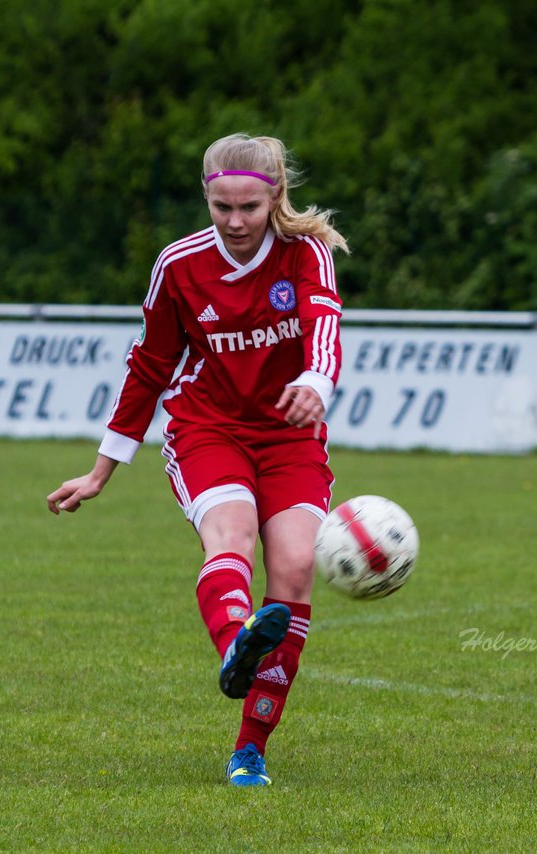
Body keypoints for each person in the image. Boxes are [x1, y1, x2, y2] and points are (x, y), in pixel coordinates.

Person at [47, 133, 347, 787]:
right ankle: (236, 644)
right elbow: (149, 365)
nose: (235, 222)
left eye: (248, 207)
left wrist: (317, 384)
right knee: (232, 534)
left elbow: (325, 321)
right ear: (205, 198)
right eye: (220, 208)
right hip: (207, 429)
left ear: (274, 198)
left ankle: (250, 750)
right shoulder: (179, 265)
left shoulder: (305, 253)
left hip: (291, 436)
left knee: (295, 568)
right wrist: (103, 468)